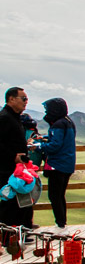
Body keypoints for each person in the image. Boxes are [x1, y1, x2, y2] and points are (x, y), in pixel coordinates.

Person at [37, 98, 76, 231]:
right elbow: (61, 140)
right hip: (68, 164)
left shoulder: (58, 124)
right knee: (60, 195)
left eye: (48, 109)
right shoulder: (68, 122)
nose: (46, 112)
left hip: (58, 164)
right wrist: (46, 138)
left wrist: (38, 146)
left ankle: (60, 224)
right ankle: (62, 223)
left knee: (54, 195)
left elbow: (55, 145)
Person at [0, 87, 31, 229]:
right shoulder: (5, 118)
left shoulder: (14, 117)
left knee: (18, 202)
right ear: (11, 99)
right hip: (6, 169)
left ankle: (17, 233)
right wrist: (13, 157)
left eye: (27, 99)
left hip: (17, 169)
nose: (26, 102)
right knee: (9, 202)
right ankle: (8, 235)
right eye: (23, 99)